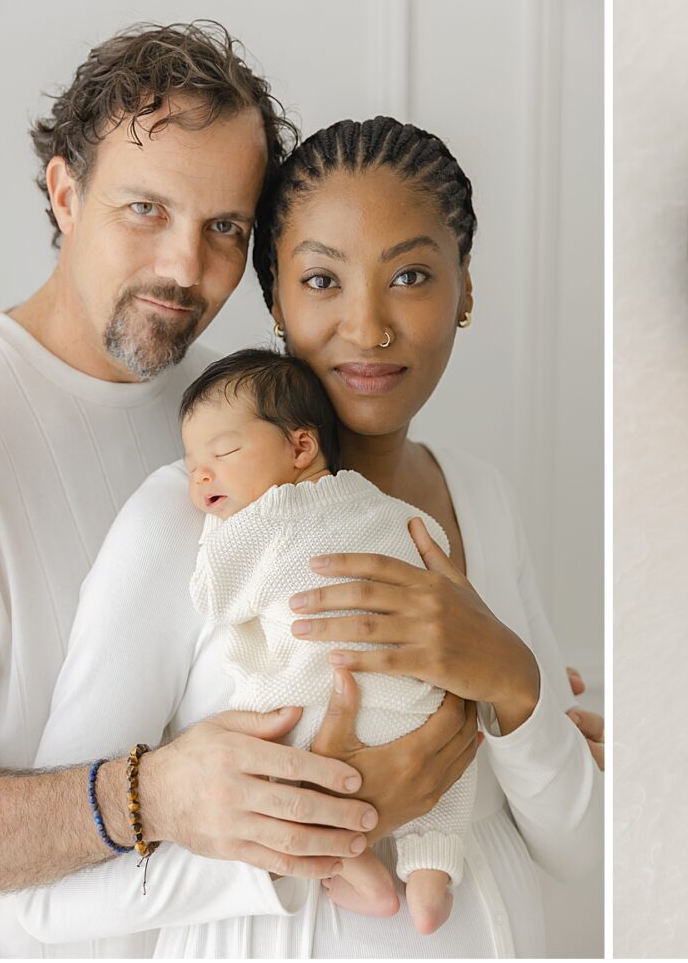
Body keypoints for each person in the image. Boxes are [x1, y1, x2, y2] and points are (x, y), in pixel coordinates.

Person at [15, 116, 602, 956]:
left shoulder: (481, 499)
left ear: (465, 289)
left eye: (410, 275)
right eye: (322, 281)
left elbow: (576, 847)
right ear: (277, 300)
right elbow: (52, 896)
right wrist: (330, 821)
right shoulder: (187, 519)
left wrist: (513, 679)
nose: (367, 327)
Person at [0, 22, 453, 959]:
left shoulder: (241, 405)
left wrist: (481, 712)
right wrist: (150, 796)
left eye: (225, 227)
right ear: (66, 192)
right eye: (146, 210)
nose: (187, 268)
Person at [181, 348, 475, 934]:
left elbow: (213, 598)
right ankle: (431, 872)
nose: (201, 476)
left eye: (223, 454)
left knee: (288, 778)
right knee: (452, 770)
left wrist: (217, 526)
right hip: (418, 711)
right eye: (192, 466)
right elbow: (436, 550)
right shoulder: (387, 508)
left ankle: (352, 861)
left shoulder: (259, 522)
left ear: (299, 446)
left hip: (319, 711)